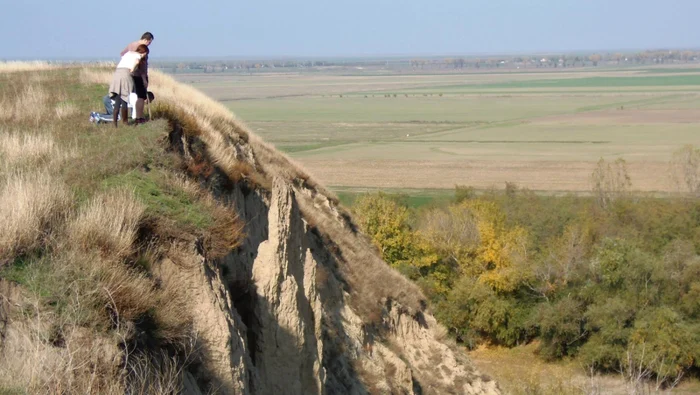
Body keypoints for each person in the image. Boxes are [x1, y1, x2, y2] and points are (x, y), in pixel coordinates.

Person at [108, 44, 149, 128]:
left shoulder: (128, 53)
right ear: (144, 52)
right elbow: (137, 62)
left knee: (118, 98)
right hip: (125, 73)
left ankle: (115, 123)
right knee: (124, 99)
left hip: (117, 73)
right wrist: (133, 69)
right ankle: (125, 122)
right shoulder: (138, 55)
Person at [120, 32, 154, 124]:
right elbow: (141, 66)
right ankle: (139, 117)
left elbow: (122, 54)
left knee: (129, 96)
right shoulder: (142, 49)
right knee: (141, 97)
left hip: (128, 73)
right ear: (146, 40)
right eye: (149, 42)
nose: (149, 45)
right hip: (138, 75)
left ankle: (129, 118)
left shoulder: (131, 45)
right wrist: (144, 79)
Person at [90, 92, 154, 124]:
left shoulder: (137, 96)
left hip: (108, 99)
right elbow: (135, 116)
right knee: (117, 118)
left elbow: (133, 113)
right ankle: (97, 116)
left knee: (111, 116)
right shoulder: (136, 100)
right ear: (146, 98)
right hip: (110, 100)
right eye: (149, 101)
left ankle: (95, 115)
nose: (148, 103)